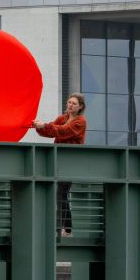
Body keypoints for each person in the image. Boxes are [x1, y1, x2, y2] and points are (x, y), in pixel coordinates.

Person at [33, 93, 87, 238]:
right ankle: (67, 229)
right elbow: (52, 131)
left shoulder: (80, 122)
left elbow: (63, 132)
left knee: (61, 193)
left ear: (80, 107)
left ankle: (65, 229)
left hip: (70, 162)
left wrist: (44, 125)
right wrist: (39, 126)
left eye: (74, 103)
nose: (70, 105)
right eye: (69, 102)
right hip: (58, 160)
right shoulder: (63, 118)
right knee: (61, 194)